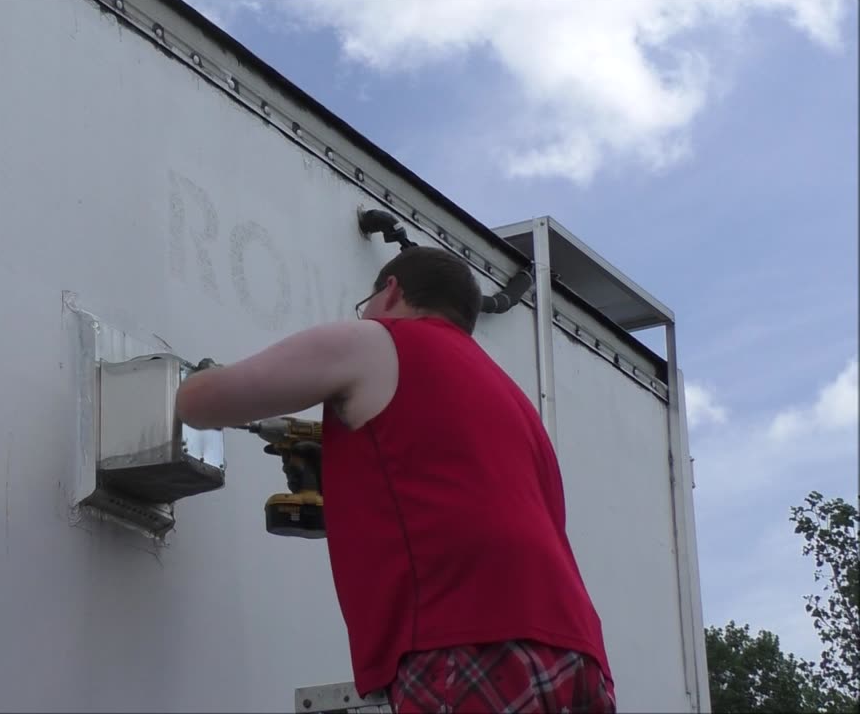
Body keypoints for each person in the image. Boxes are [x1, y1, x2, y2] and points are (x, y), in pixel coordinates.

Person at [174, 246, 616, 713]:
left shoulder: (377, 339)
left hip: (466, 634)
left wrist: (195, 380)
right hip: (576, 653)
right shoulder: (513, 401)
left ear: (390, 290)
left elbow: (202, 404)